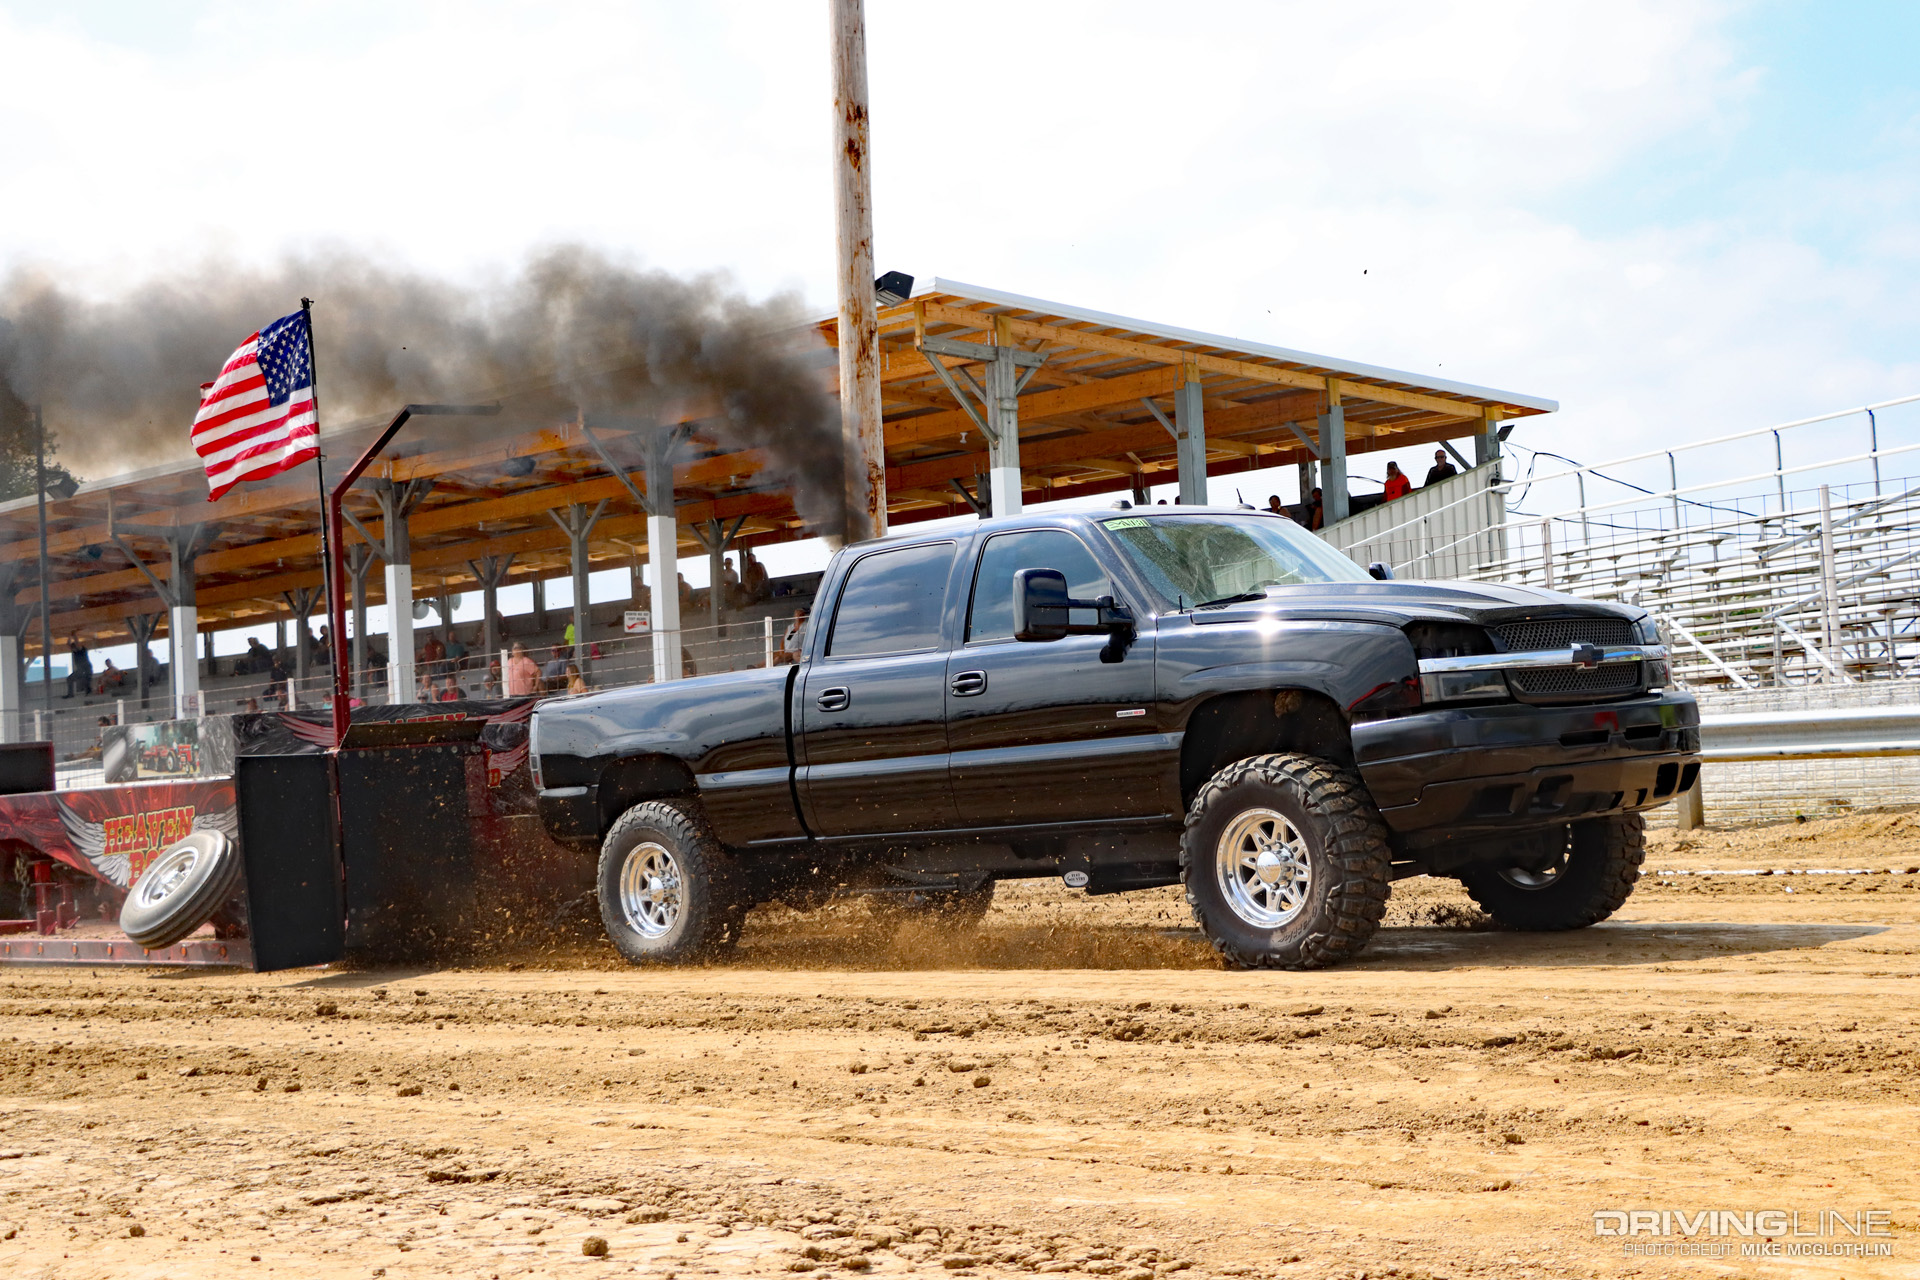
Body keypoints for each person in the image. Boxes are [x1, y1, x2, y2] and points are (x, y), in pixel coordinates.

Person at [65, 635, 91, 699]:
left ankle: (88, 690)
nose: (72, 650)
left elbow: (77, 643)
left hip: (86, 670)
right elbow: (68, 644)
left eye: (73, 648)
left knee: (85, 680)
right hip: (80, 670)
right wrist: (70, 636)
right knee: (69, 679)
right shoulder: (75, 652)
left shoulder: (81, 650)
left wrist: (74, 635)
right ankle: (70, 694)